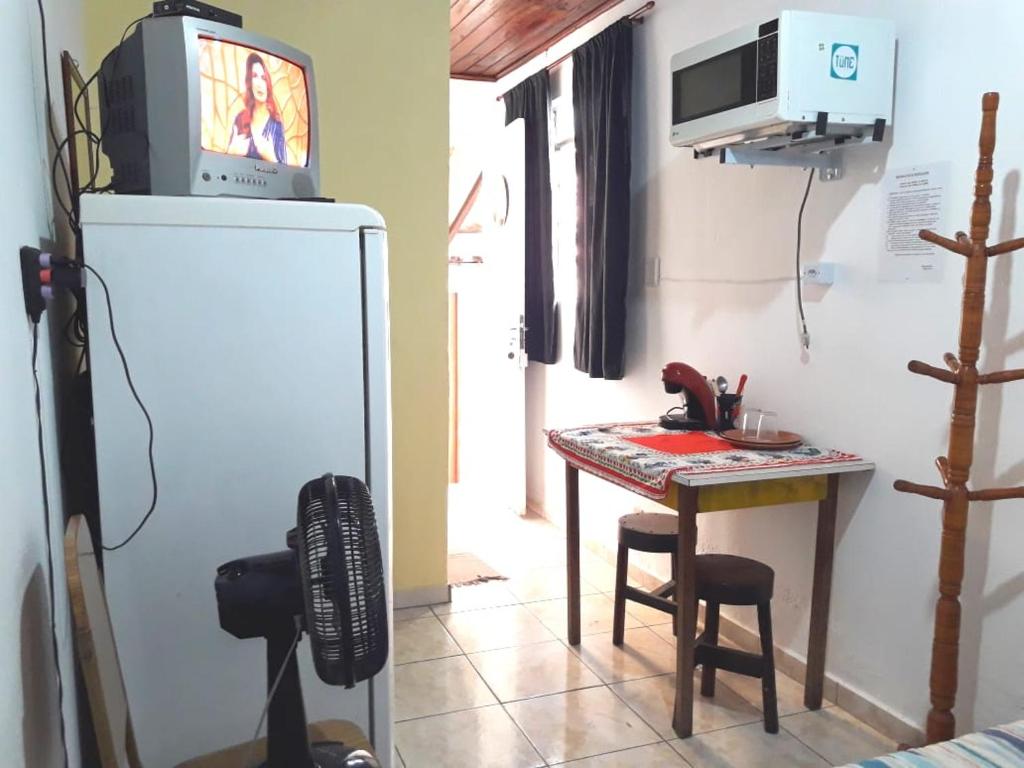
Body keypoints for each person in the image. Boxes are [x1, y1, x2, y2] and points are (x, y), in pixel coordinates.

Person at [226, 52, 287, 164]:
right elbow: (223, 170)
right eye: (254, 76)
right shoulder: (239, 119)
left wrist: (271, 158)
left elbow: (285, 177)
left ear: (268, 83)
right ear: (250, 83)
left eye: (263, 78)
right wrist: (231, 152)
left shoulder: (276, 125)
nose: (260, 84)